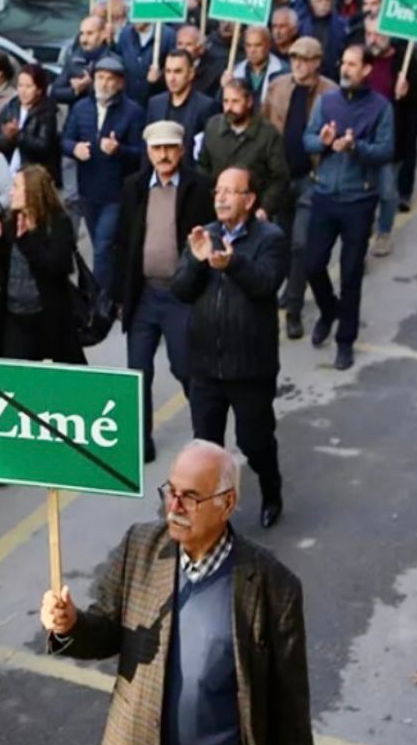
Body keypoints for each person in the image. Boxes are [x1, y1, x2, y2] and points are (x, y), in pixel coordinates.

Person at [40, 439, 313, 745]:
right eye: (171, 491)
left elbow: (290, 718)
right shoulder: (140, 547)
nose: (174, 506)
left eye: (190, 497)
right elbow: (104, 631)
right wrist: (70, 625)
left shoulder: (274, 588)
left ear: (227, 503)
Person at [173, 168, 289, 527]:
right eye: (218, 191)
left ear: (249, 199)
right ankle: (209, 517)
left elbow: (266, 284)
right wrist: (195, 259)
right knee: (205, 448)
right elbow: (181, 289)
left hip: (250, 368)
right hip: (206, 367)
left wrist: (232, 262)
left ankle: (271, 489)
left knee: (254, 442)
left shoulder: (270, 238)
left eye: (231, 192)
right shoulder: (204, 234)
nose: (221, 198)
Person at [117, 122, 210, 460]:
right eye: (157, 148)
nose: (164, 154)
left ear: (182, 150)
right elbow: (124, 241)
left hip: (180, 296)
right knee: (138, 372)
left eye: (170, 147)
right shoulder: (134, 186)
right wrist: (118, 296)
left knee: (185, 367)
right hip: (144, 296)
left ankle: (205, 435)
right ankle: (142, 439)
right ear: (148, 152)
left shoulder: (200, 187)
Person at [302, 45, 394, 371]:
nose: (346, 68)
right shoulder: (327, 102)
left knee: (351, 273)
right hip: (325, 193)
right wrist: (324, 142)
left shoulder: (380, 107)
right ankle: (329, 311)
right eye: (344, 63)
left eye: (353, 64)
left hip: (359, 199)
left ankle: (345, 340)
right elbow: (308, 138)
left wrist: (357, 147)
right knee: (312, 264)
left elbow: (385, 151)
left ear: (367, 69)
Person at [262, 39, 337, 340]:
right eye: (294, 58)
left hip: (312, 177)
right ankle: (288, 290)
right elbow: (265, 125)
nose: (299, 64)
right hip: (281, 177)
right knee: (281, 240)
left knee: (301, 245)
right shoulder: (278, 86)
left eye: (305, 59)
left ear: (318, 61)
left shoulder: (329, 93)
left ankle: (293, 309)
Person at [63, 54, 146, 308]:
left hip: (116, 194)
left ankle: (99, 301)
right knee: (106, 247)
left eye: (111, 79)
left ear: (120, 83)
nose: (105, 83)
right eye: (100, 78)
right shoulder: (81, 108)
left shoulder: (132, 112)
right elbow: (64, 139)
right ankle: (112, 291)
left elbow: (140, 154)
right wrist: (74, 148)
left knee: (102, 246)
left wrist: (118, 149)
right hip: (88, 190)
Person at [0, 165, 83, 364]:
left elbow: (57, 265)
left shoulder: (57, 223)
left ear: (32, 192)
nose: (11, 192)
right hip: (14, 314)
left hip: (47, 316)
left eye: (16, 187)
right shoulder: (12, 221)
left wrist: (26, 242)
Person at [362, 26, 417, 256]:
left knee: (386, 191)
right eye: (369, 35)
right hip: (362, 140)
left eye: (378, 34)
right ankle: (361, 238)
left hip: (389, 142)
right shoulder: (362, 60)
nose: (373, 40)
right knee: (362, 194)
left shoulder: (405, 61)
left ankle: (383, 232)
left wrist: (406, 94)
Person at [196, 79, 289, 224]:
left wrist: (265, 208)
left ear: (249, 102)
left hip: (253, 214)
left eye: (235, 101)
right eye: (226, 101)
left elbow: (279, 177)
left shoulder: (268, 133)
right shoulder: (213, 127)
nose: (229, 107)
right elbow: (203, 166)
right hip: (217, 210)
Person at [147, 48, 220, 162]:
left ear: (191, 73)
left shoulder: (206, 106)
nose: (172, 78)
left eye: (178, 71)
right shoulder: (155, 104)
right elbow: (148, 146)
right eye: (168, 71)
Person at [0, 63, 61, 181]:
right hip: (9, 168)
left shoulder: (47, 112)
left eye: (28, 86)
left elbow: (44, 146)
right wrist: (6, 137)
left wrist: (18, 135)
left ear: (39, 89)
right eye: (20, 86)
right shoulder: (11, 107)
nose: (23, 91)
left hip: (34, 173)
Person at [116, 19, 175, 107]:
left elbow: (174, 65)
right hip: (129, 100)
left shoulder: (167, 35)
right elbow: (118, 59)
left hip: (155, 101)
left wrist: (160, 76)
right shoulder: (125, 34)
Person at [54, 16, 111, 107]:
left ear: (103, 35)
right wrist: (75, 90)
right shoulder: (73, 59)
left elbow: (114, 95)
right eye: (82, 34)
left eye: (90, 33)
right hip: (77, 117)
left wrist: (89, 86)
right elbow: (55, 92)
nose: (84, 39)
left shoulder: (112, 62)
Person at [231, 26, 288, 108]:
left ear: (268, 45)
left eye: (258, 45)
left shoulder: (284, 71)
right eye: (248, 45)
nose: (252, 50)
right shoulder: (235, 71)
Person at [301, 0, 350, 81]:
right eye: (319, 0)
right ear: (312, 3)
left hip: (334, 76)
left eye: (327, 0)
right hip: (309, 73)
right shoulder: (303, 26)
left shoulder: (342, 25)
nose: (324, 4)